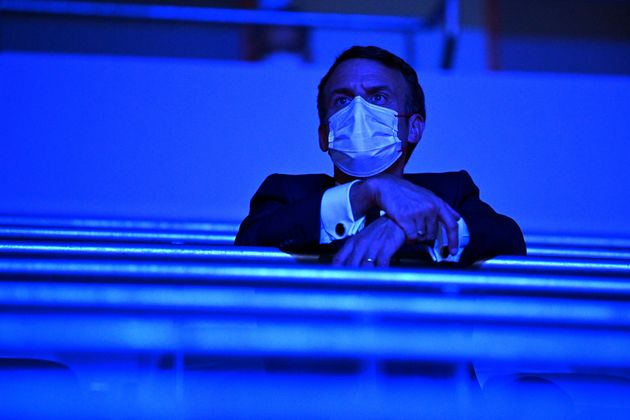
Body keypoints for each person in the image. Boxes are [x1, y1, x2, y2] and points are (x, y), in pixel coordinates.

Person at [235, 46, 525, 266]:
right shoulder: (286, 192)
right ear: (324, 135)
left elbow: (507, 238)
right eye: (343, 99)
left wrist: (409, 225)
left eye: (378, 97)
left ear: (413, 128)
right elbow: (251, 240)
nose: (358, 110)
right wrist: (367, 192)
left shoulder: (450, 191)